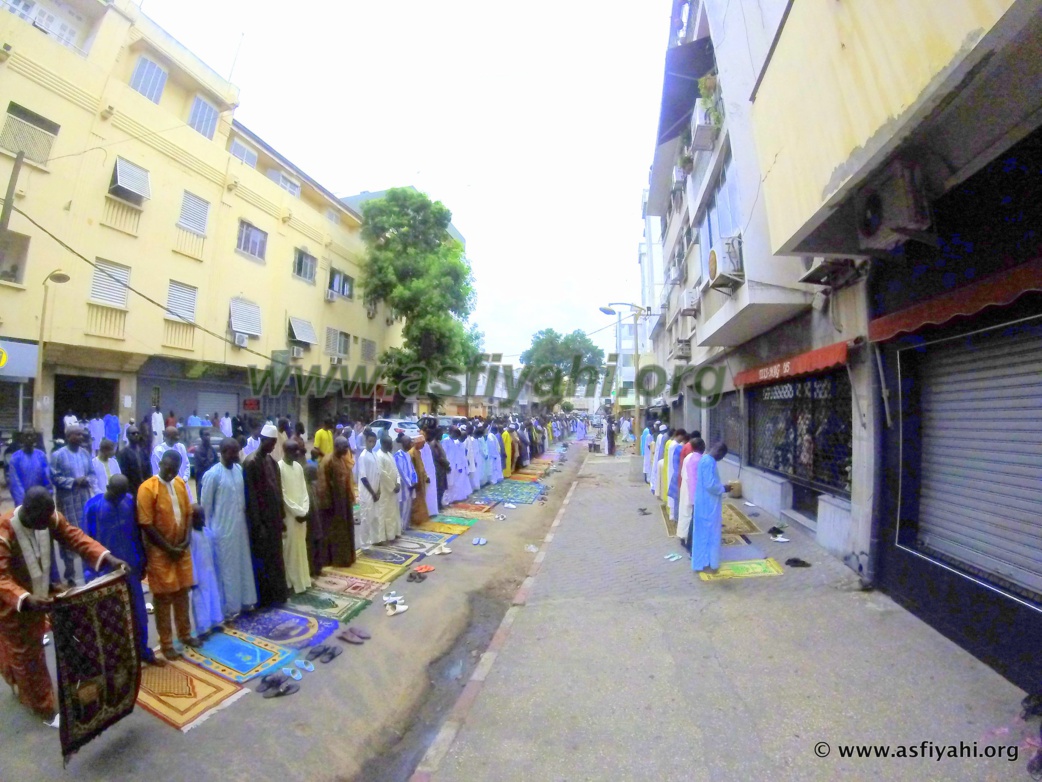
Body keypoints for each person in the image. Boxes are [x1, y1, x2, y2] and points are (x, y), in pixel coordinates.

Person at [0, 487, 128, 719]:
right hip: (13, 604)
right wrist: (25, 598)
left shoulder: (48, 519)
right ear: (28, 515)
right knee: (28, 655)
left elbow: (74, 537)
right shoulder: (4, 531)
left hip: (39, 595)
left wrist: (108, 557)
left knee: (20, 650)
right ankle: (44, 708)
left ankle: (16, 682)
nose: (50, 524)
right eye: (44, 521)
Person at [82, 474, 156, 664]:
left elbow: (137, 533)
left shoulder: (129, 502)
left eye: (122, 494)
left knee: (139, 613)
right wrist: (90, 574)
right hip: (106, 573)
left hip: (131, 567)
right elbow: (87, 544)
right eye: (116, 494)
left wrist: (142, 562)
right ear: (107, 487)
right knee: (112, 618)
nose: (119, 498)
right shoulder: (93, 508)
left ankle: (143, 651)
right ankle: (119, 659)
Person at [138, 450, 200, 660]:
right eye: (167, 467)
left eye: (174, 470)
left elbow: (189, 514)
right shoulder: (147, 488)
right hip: (160, 552)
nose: (170, 472)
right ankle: (166, 643)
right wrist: (168, 548)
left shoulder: (181, 484)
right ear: (161, 463)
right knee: (163, 598)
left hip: (181, 549)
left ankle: (185, 634)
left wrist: (186, 539)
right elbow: (146, 524)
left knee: (182, 593)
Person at [199, 438, 258, 619]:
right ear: (223, 453)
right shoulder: (213, 475)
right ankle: (228, 608)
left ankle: (244, 601)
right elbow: (205, 507)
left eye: (237, 451)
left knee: (241, 565)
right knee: (226, 571)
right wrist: (207, 534)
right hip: (222, 531)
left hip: (239, 529)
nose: (237, 455)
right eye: (233, 452)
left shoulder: (239, 470)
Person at [242, 423, 288, 608]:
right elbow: (251, 496)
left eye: (275, 443)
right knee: (262, 560)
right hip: (260, 522)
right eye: (271, 442)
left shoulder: (272, 463)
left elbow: (278, 491)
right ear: (263, 440)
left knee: (276, 558)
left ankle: (278, 595)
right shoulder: (250, 462)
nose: (273, 446)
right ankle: (264, 599)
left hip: (274, 519)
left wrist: (282, 516)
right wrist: (258, 524)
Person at [49, 425, 96, 585]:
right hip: (67, 500)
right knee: (67, 535)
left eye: (82, 435)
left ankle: (87, 573)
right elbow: (55, 477)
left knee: (84, 534)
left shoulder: (85, 453)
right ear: (69, 436)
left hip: (83, 499)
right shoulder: (58, 455)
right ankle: (70, 575)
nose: (81, 438)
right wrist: (73, 482)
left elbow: (92, 473)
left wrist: (86, 480)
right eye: (78, 435)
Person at [691, 442, 731, 573]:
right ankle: (709, 563)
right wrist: (723, 488)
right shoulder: (708, 462)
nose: (721, 459)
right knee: (710, 534)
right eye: (722, 456)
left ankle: (704, 562)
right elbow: (710, 485)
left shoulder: (706, 460)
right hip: (708, 505)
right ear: (719, 452)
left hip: (705, 502)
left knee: (704, 533)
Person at [317, 436, 356, 568]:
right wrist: (327, 504)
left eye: (347, 446)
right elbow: (323, 485)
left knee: (345, 530)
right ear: (336, 447)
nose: (346, 449)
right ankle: (334, 560)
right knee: (333, 532)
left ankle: (345, 558)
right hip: (333, 503)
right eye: (344, 447)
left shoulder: (342, 459)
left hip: (343, 501)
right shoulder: (327, 461)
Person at [278, 440, 311, 594]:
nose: (297, 454)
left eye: (297, 451)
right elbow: (282, 495)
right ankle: (290, 583)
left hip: (301, 515)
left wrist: (304, 510)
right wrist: (297, 512)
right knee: (289, 550)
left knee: (300, 547)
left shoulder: (298, 467)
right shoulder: (279, 467)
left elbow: (304, 491)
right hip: (289, 516)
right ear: (286, 451)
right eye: (294, 451)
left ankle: (303, 580)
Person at [188, 509, 224, 638]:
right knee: (201, 600)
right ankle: (203, 629)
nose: (202, 521)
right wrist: (192, 578)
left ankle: (215, 622)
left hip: (210, 571)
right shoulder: (190, 537)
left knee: (214, 595)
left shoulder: (207, 533)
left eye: (203, 518)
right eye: (198, 518)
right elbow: (190, 558)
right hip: (199, 575)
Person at [8, 430, 50, 508]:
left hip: (40, 498)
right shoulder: (15, 457)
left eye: (32, 436)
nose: (29, 438)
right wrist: (23, 502)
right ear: (21, 439)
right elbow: (15, 482)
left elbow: (46, 477)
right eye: (26, 436)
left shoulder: (41, 455)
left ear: (35, 439)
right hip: (23, 501)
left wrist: (47, 495)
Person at [151, 427, 193, 502]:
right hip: (166, 486)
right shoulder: (158, 451)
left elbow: (186, 464)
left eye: (177, 435)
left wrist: (185, 478)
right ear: (167, 437)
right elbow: (157, 470)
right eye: (174, 436)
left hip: (183, 484)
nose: (178, 437)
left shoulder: (181, 447)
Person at [356, 430, 381, 548]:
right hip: (367, 493)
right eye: (370, 441)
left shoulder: (374, 454)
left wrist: (379, 490)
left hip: (375, 491)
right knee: (366, 518)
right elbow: (363, 478)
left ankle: (375, 539)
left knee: (375, 516)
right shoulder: (363, 456)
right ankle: (364, 544)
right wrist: (372, 493)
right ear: (366, 441)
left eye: (374, 442)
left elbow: (377, 473)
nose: (372, 444)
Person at [678, 438, 705, 550]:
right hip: (691, 490)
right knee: (689, 514)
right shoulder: (699, 459)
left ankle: (682, 536)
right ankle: (688, 541)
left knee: (684, 512)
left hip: (685, 486)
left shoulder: (688, 457)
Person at [376, 435, 402, 540]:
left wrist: (398, 482)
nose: (391, 445)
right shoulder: (379, 456)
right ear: (383, 444)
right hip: (385, 490)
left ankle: (394, 533)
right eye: (389, 443)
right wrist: (392, 486)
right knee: (384, 513)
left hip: (393, 489)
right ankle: (383, 537)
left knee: (393, 512)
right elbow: (382, 474)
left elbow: (396, 471)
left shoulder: (390, 455)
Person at [116, 425, 152, 499]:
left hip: (145, 488)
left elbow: (149, 470)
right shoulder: (123, 453)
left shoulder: (143, 452)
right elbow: (123, 473)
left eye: (137, 433)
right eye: (133, 433)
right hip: (131, 491)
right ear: (127, 436)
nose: (136, 435)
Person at [393, 435, 418, 532]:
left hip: (410, 486)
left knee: (408, 506)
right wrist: (409, 484)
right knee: (402, 508)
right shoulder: (398, 456)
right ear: (403, 443)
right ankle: (400, 528)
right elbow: (401, 472)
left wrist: (415, 480)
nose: (410, 444)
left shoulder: (407, 455)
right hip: (404, 487)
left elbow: (412, 469)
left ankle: (406, 525)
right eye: (408, 442)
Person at [408, 435, 433, 526]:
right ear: (418, 443)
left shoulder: (418, 452)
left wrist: (426, 477)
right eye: (422, 444)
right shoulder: (411, 453)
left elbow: (421, 467)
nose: (423, 446)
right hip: (416, 482)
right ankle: (414, 520)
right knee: (415, 502)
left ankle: (420, 519)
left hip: (421, 480)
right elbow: (411, 469)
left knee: (421, 500)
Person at [667, 429, 688, 522]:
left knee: (674, 497)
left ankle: (673, 515)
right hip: (676, 472)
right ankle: (674, 516)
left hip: (673, 471)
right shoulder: (676, 446)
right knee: (676, 498)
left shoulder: (672, 444)